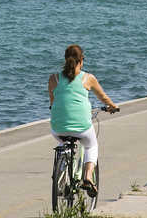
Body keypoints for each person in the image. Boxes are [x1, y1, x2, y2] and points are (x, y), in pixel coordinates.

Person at [48, 44, 118, 197]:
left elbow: (53, 102)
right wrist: (113, 106)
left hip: (57, 127)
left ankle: (60, 180)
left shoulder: (54, 78)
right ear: (82, 60)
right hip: (82, 128)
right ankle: (87, 177)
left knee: (62, 143)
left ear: (65, 60)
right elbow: (104, 98)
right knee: (91, 145)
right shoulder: (88, 78)